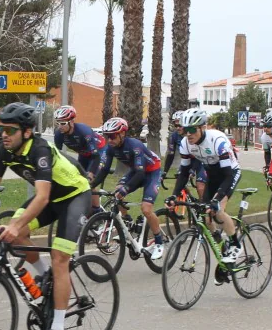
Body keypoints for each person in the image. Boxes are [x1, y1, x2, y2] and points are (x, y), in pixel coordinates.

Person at [0, 102, 91, 330]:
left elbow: (41, 197)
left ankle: (58, 327)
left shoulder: (39, 150)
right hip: (51, 198)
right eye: (1, 130)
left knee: (60, 258)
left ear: (26, 132)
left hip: (74, 197)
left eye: (10, 130)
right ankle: (43, 273)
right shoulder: (5, 151)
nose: (4, 135)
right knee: (13, 235)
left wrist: (17, 225)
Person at [167, 108, 243, 282]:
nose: (188, 134)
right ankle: (221, 244)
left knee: (217, 209)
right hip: (212, 174)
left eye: (192, 129)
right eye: (185, 130)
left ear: (203, 127)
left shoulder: (217, 141)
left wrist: (216, 200)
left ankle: (235, 244)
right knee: (206, 216)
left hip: (229, 173)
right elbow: (184, 172)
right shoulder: (186, 143)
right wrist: (174, 195)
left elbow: (228, 175)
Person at [94, 117, 166, 259]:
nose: (109, 140)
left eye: (113, 136)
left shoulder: (135, 145)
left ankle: (159, 241)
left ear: (122, 134)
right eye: (107, 136)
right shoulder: (110, 148)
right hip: (136, 170)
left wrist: (125, 189)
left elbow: (140, 174)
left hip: (152, 172)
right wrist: (90, 186)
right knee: (117, 192)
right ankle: (128, 220)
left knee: (146, 208)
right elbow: (103, 171)